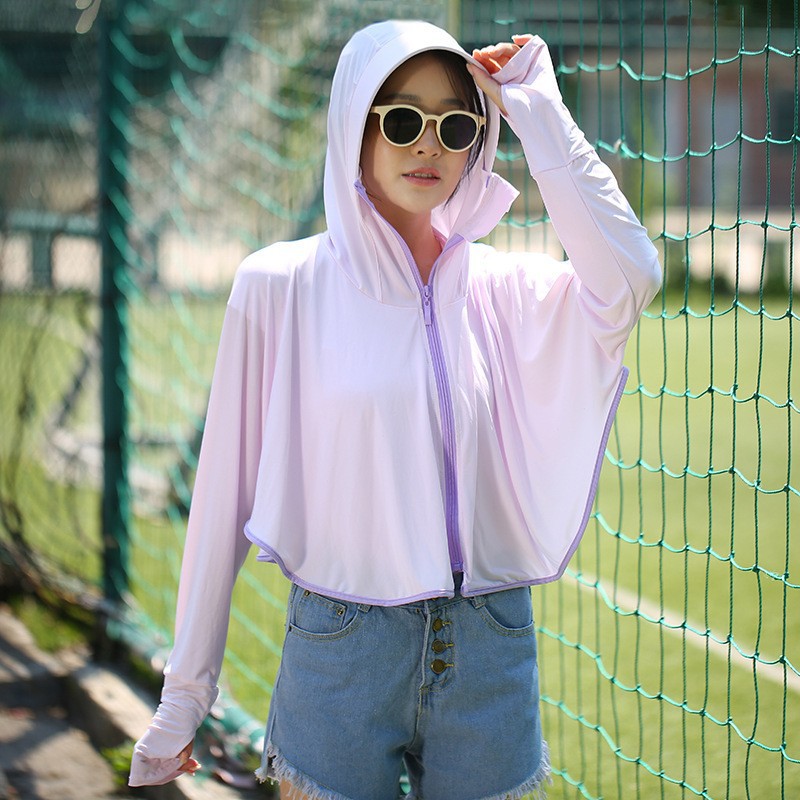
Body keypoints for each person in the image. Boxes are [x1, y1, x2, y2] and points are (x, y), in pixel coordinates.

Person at [128, 18, 661, 800]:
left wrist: (537, 108)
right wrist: (184, 697)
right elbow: (221, 499)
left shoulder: (504, 288)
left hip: (489, 642)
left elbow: (631, 277)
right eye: (403, 119)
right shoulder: (279, 286)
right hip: (340, 648)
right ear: (356, 124)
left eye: (456, 125)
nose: (429, 145)